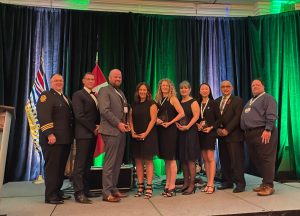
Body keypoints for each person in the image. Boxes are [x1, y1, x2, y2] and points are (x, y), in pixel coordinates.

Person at [37, 73, 74, 205]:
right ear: (51, 82)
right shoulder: (46, 96)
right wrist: (49, 134)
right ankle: (50, 195)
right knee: (52, 168)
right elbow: (44, 116)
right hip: (53, 139)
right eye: (56, 80)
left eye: (61, 80)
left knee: (60, 168)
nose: (59, 82)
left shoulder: (64, 97)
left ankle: (57, 191)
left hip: (64, 139)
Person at [97, 69, 130, 202]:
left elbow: (124, 110)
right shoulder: (104, 90)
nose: (118, 79)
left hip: (121, 131)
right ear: (109, 78)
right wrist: (118, 124)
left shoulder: (120, 92)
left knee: (117, 162)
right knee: (110, 162)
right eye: (115, 76)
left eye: (120, 77)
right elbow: (104, 110)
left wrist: (125, 123)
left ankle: (113, 188)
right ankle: (106, 192)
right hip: (111, 131)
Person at [241, 79, 278, 196]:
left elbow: (271, 114)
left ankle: (269, 185)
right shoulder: (250, 101)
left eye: (258, 84)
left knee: (266, 158)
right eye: (253, 85)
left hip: (263, 131)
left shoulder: (267, 98)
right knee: (257, 159)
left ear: (263, 86)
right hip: (250, 134)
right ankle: (264, 182)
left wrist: (268, 129)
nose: (255, 86)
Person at [72, 73, 100, 204]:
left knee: (88, 163)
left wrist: (99, 126)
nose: (90, 81)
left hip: (92, 134)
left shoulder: (94, 95)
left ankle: (86, 189)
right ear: (83, 81)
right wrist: (93, 128)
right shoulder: (78, 95)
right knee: (80, 165)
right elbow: (79, 116)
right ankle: (79, 193)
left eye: (92, 79)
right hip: (84, 134)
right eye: (88, 79)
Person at [155, 78, 185, 197]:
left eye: (167, 85)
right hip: (161, 130)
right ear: (160, 87)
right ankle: (167, 184)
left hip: (170, 131)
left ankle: (172, 186)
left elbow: (182, 113)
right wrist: (157, 120)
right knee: (166, 160)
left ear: (170, 87)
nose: (165, 87)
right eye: (163, 85)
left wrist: (171, 122)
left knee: (171, 159)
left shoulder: (173, 99)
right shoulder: (158, 99)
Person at [129, 82, 159, 199]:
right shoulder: (134, 104)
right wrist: (132, 132)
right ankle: (140, 186)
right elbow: (130, 119)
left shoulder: (152, 104)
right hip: (136, 136)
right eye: (140, 90)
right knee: (138, 161)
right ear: (137, 91)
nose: (142, 92)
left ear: (148, 92)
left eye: (144, 90)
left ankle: (149, 186)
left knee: (148, 161)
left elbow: (153, 120)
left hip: (149, 136)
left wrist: (145, 133)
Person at [216, 80, 246, 193]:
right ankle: (227, 182)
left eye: (227, 86)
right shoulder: (217, 101)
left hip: (234, 135)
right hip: (221, 136)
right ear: (220, 88)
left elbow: (237, 117)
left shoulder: (238, 100)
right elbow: (215, 118)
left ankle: (240, 184)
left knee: (236, 160)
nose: (225, 88)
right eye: (223, 86)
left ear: (231, 88)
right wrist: (218, 129)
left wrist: (227, 130)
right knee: (224, 160)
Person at [176, 81, 200, 195]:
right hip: (181, 133)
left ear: (190, 89)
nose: (183, 90)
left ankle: (192, 184)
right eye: (181, 88)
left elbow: (196, 116)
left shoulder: (193, 102)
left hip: (190, 133)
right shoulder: (179, 102)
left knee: (190, 159)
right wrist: (177, 124)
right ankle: (185, 182)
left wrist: (187, 127)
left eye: (186, 88)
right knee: (183, 159)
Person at [197, 83, 221, 194]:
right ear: (200, 91)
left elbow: (219, 120)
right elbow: (195, 118)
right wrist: (197, 125)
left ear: (209, 90)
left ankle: (211, 184)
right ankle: (208, 182)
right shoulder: (197, 103)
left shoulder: (214, 103)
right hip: (200, 133)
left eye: (207, 89)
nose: (204, 90)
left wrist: (211, 128)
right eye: (202, 89)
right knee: (205, 159)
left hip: (210, 133)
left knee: (210, 158)